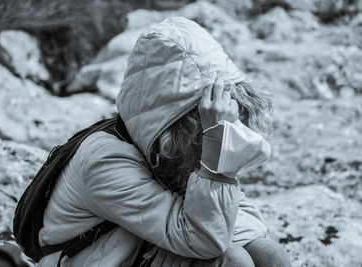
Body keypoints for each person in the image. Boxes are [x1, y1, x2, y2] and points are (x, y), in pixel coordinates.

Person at [37, 17, 290, 266]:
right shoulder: (105, 161)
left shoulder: (169, 149)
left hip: (139, 246)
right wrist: (218, 155)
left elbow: (247, 222)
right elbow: (208, 240)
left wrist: (222, 151)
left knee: (269, 255)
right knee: (233, 261)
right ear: (184, 121)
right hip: (92, 258)